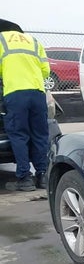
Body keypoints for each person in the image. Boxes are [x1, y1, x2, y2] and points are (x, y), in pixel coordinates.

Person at [0, 19, 50, 192]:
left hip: (15, 93)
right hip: (37, 93)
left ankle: (24, 179)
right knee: (40, 135)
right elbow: (46, 70)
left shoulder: (1, 40)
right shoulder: (33, 41)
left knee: (19, 135)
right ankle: (42, 176)